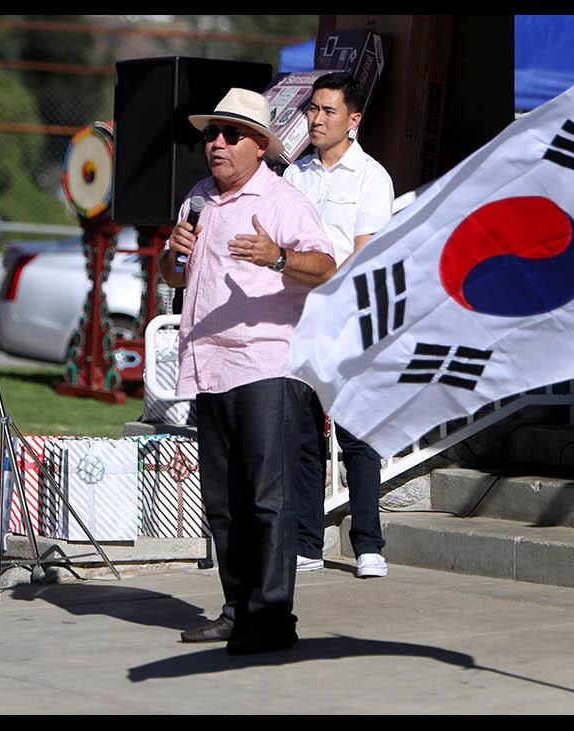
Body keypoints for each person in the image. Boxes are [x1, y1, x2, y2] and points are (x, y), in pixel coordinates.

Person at [161, 87, 337, 655]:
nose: (216, 143)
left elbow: (326, 267)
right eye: (211, 133)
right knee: (225, 502)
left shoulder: (283, 201)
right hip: (208, 364)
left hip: (264, 364)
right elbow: (174, 276)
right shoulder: (198, 199)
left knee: (267, 500)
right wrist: (173, 252)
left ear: (259, 146)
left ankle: (272, 618)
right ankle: (236, 609)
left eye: (231, 134)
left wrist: (277, 258)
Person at [281, 72, 396, 579]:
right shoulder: (293, 176)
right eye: (313, 109)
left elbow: (364, 255)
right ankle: (307, 541)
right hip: (297, 320)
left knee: (356, 435)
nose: (317, 119)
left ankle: (368, 543)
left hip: (346, 322)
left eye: (329, 111)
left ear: (354, 119)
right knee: (303, 435)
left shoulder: (371, 176)